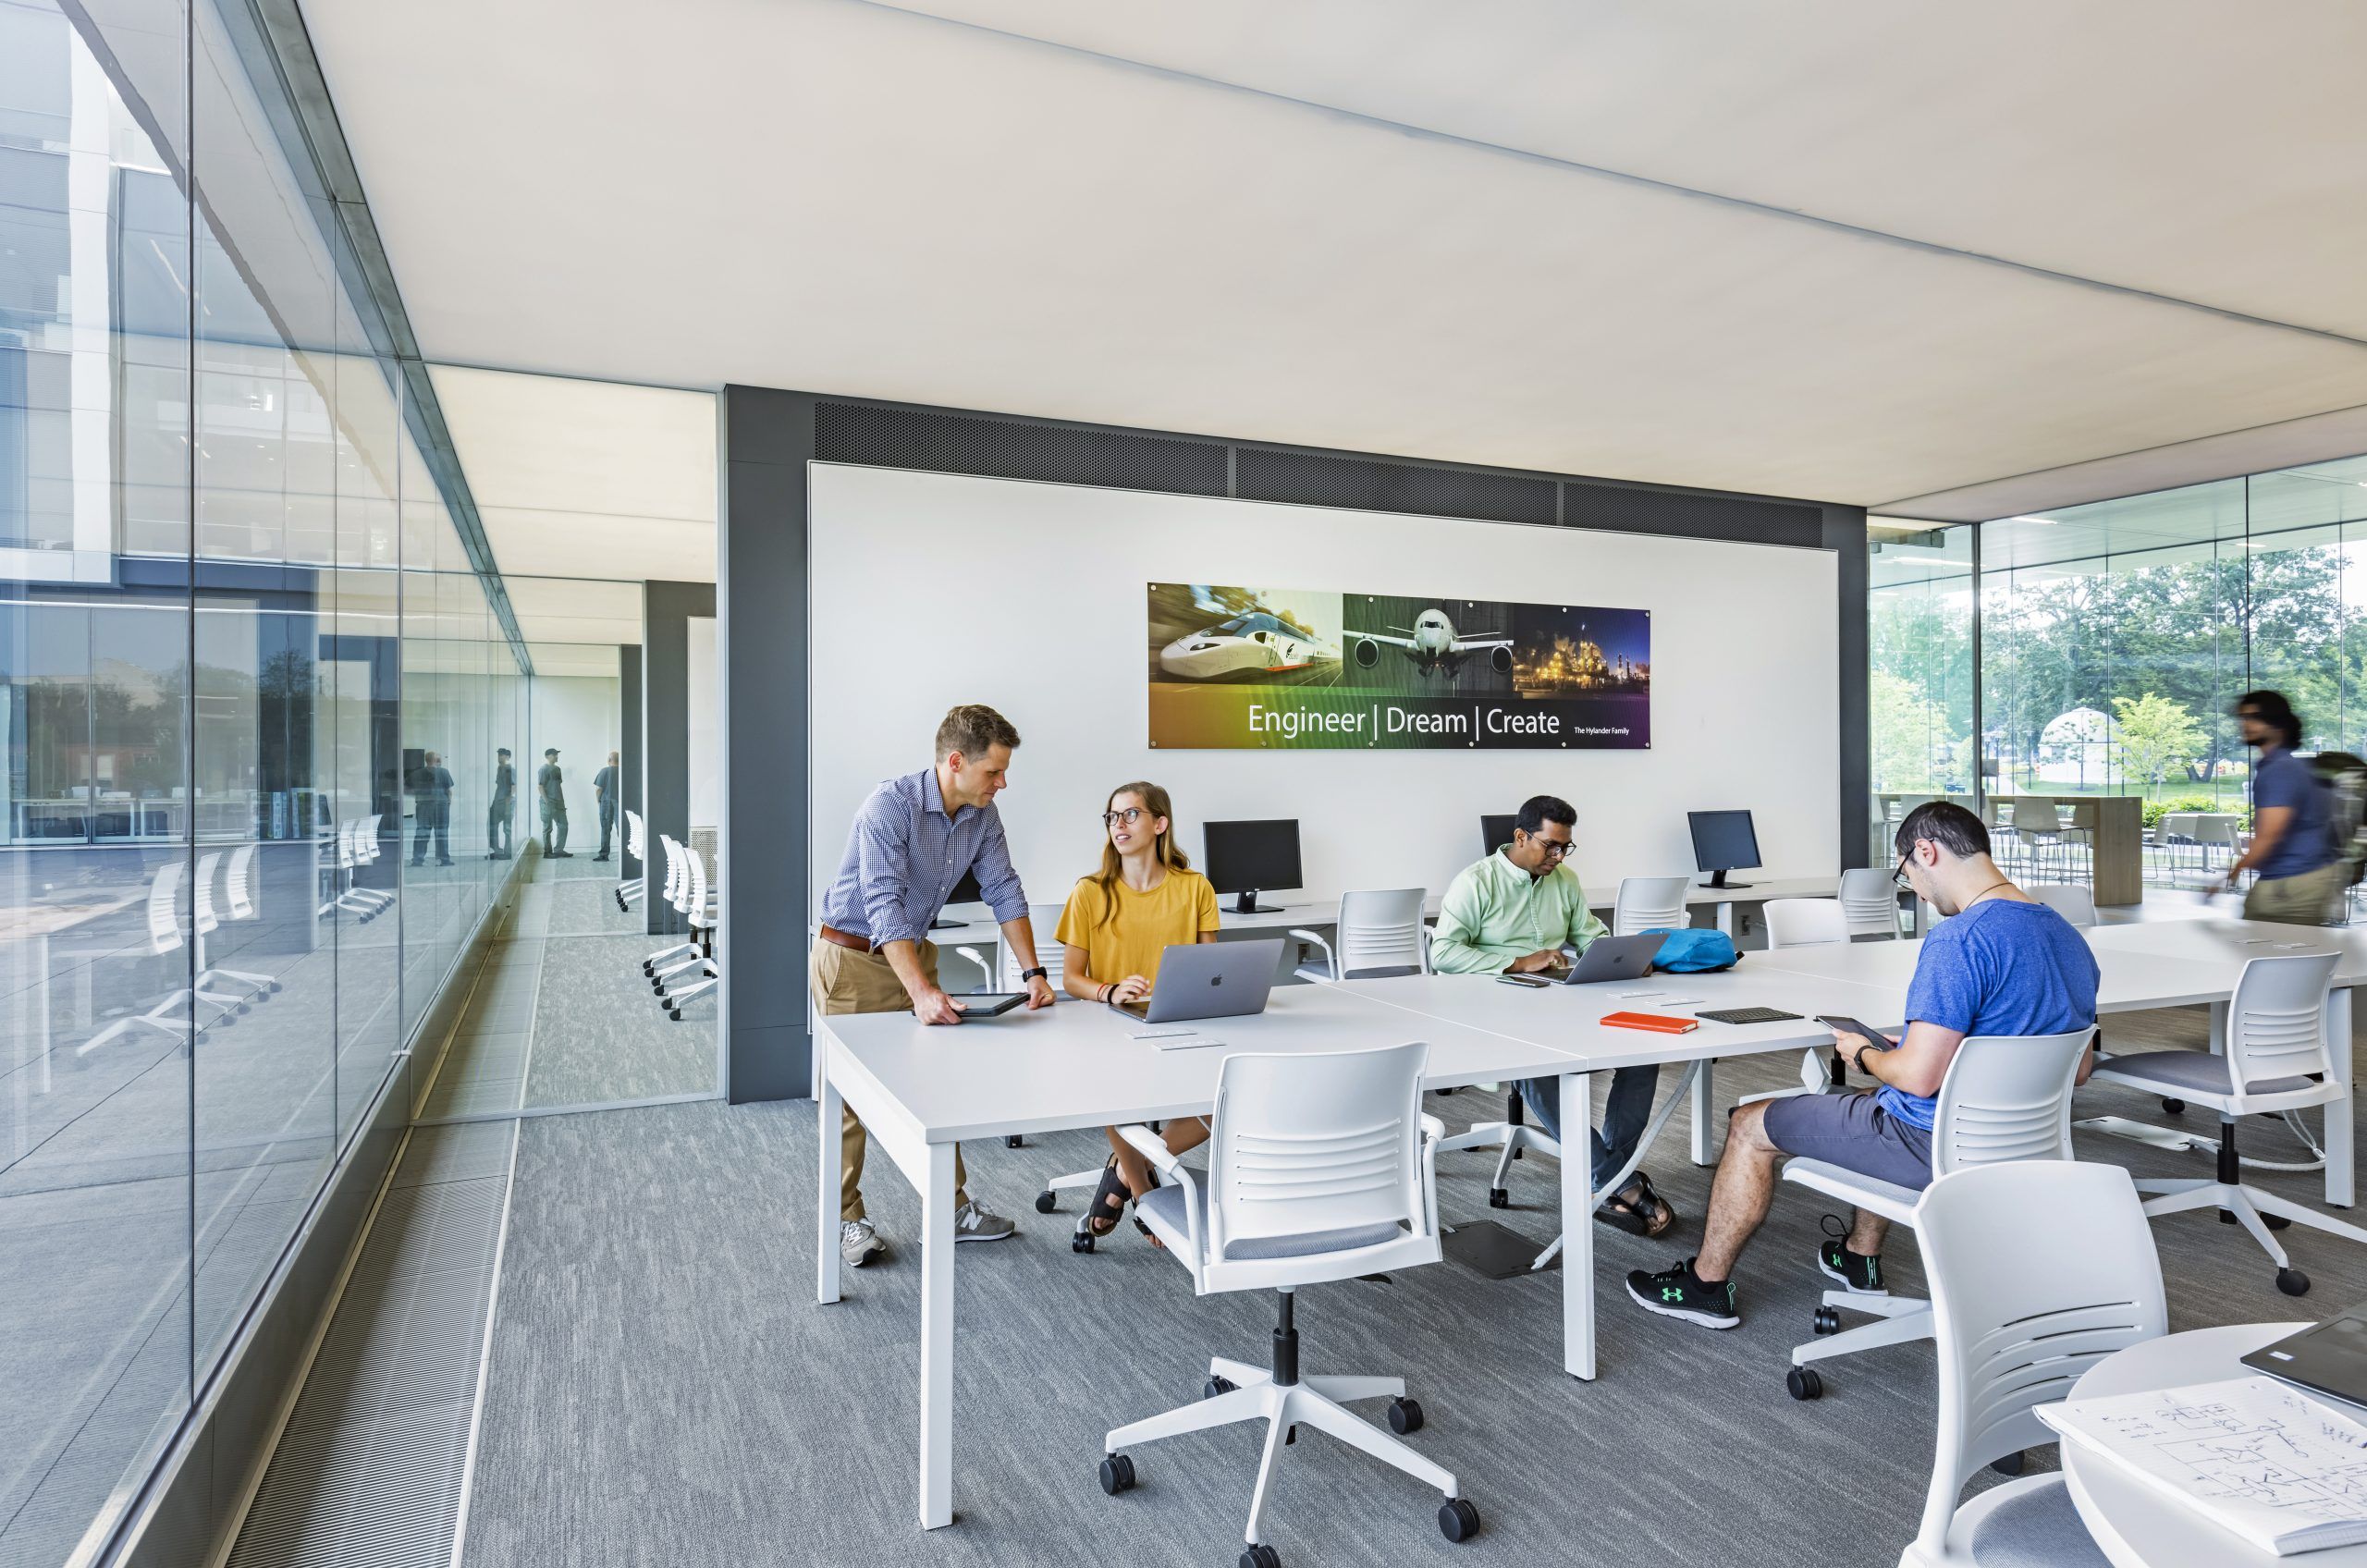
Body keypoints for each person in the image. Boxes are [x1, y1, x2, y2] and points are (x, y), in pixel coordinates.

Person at [1626, 801, 2097, 1330]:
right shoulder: (2067, 936)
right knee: (1877, 1097)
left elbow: (1918, 1078)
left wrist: (1867, 1054)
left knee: (1748, 1124)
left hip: (1931, 1143)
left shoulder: (1959, 940)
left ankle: (1704, 1286)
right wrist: (1928, 1047)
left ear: (1927, 851)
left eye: (1908, 874)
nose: (1914, 889)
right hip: (2027, 1148)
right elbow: (2076, 1070)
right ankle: (1857, 1255)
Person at [814, 704, 1055, 1268]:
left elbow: (1004, 887)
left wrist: (1034, 973)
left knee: (936, 1083)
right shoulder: (889, 807)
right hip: (851, 956)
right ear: (955, 761)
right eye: (994, 771)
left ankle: (951, 1210)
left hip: (913, 952)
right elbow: (883, 903)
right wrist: (920, 992)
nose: (1002, 783)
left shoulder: (981, 815)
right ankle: (846, 1221)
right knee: (851, 1100)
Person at [1431, 794, 1675, 1237]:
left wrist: (1621, 956)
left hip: (1565, 1003)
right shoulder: (1476, 882)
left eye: (1566, 847)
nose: (1558, 856)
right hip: (1497, 1009)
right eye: (1551, 846)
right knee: (1540, 1072)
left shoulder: (1564, 879)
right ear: (1521, 836)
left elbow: (1589, 937)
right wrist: (1517, 962)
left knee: (1643, 1052)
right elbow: (1444, 953)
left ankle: (1603, 1176)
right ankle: (1615, 1181)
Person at [1055, 781, 1221, 1241]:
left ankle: (1130, 1167)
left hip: (1179, 1017)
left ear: (1160, 823)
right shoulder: (1090, 891)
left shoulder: (1195, 888)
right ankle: (1147, 1196)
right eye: (1112, 817)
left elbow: (1211, 970)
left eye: (1131, 815)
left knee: (1225, 1098)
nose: (1119, 825)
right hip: (1113, 1023)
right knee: (1116, 1093)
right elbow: (1071, 978)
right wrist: (1109, 990)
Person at [2219, 690, 2344, 925]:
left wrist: (2233, 873)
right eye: (2243, 718)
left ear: (2277, 724)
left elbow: (2270, 837)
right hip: (2302, 878)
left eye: (2255, 717)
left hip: (2291, 884)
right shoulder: (2288, 766)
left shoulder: (2280, 770)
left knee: (2264, 951)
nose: (2246, 724)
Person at [410, 752, 454, 867]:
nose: (440, 761)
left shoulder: (417, 773)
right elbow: (449, 791)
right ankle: (444, 859)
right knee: (442, 832)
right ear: (435, 760)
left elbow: (410, 789)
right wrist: (448, 802)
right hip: (441, 805)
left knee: (422, 832)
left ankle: (417, 860)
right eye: (439, 759)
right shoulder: (444, 772)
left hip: (423, 805)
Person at [538, 748, 570, 857]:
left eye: (556, 754)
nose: (556, 756)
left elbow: (557, 785)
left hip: (559, 802)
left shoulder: (557, 769)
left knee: (563, 825)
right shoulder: (543, 769)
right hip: (548, 802)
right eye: (554, 754)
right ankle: (547, 852)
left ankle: (559, 850)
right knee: (548, 827)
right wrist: (547, 801)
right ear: (548, 756)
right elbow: (540, 786)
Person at [486, 747, 515, 860]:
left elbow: (513, 786)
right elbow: (499, 786)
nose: (499, 757)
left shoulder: (510, 769)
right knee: (491, 824)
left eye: (502, 755)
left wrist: (508, 801)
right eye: (499, 755)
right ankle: (496, 850)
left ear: (507, 757)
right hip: (497, 801)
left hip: (506, 802)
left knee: (507, 828)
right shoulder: (500, 768)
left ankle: (508, 852)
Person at [593, 751, 620, 862]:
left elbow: (599, 789)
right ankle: (625, 855)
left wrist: (598, 800)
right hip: (620, 803)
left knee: (605, 829)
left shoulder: (604, 771)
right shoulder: (624, 771)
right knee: (622, 829)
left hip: (606, 803)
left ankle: (604, 855)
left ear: (609, 760)